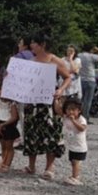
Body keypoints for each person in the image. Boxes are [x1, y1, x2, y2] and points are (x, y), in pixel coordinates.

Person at [22, 32, 72, 179]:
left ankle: (49, 167)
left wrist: (60, 90)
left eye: (33, 43)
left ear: (42, 44)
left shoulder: (54, 60)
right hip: (32, 101)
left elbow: (68, 77)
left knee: (51, 133)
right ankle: (31, 165)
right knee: (31, 132)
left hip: (49, 102)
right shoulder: (31, 61)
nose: (31, 45)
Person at [0, 80, 19, 173]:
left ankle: (7, 164)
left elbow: (14, 117)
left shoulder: (12, 103)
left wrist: (3, 124)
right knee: (3, 146)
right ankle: (3, 163)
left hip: (9, 124)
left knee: (9, 146)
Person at [61, 97, 87, 186]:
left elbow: (82, 128)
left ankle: (75, 177)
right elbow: (58, 110)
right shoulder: (66, 117)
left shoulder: (81, 119)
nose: (70, 112)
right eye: (68, 109)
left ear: (79, 110)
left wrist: (74, 121)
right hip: (72, 145)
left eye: (73, 109)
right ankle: (75, 175)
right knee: (73, 161)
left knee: (76, 162)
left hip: (80, 146)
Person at [78, 44, 98, 120]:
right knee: (88, 100)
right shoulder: (91, 56)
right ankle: (85, 117)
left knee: (81, 99)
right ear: (91, 49)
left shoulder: (79, 55)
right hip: (90, 79)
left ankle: (79, 116)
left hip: (80, 79)